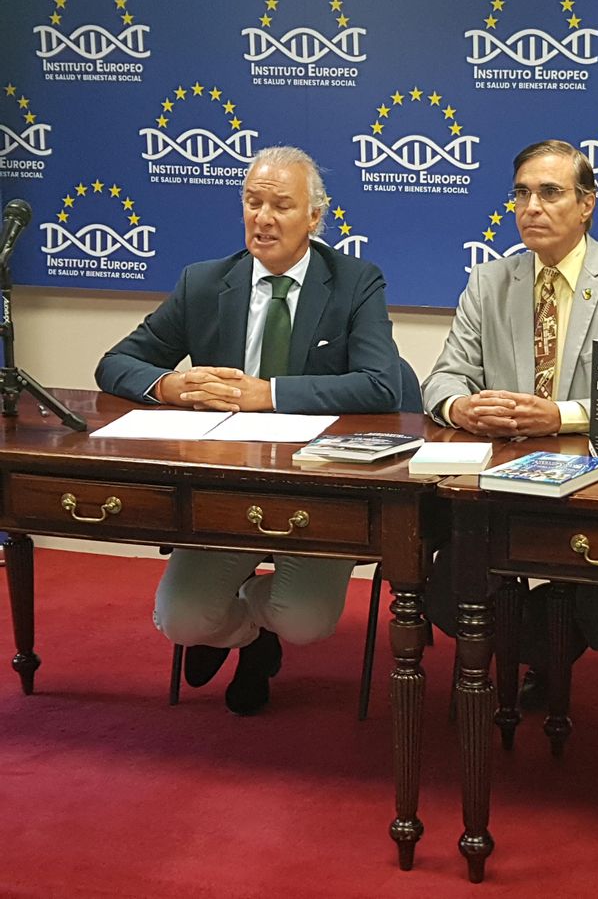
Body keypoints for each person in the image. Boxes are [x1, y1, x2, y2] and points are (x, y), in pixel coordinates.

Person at [95, 145, 405, 715]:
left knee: (306, 622)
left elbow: (383, 385)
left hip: (320, 488)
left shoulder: (355, 280)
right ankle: (247, 637)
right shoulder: (207, 283)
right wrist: (169, 386)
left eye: (280, 205)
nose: (262, 218)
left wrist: (272, 394)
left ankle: (262, 626)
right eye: (252, 202)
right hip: (227, 488)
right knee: (181, 619)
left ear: (314, 218)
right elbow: (115, 364)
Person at [422, 138, 598, 703]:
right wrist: (458, 406)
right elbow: (442, 377)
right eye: (521, 194)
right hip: (498, 488)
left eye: (550, 193)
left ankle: (543, 646)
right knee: (444, 597)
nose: (531, 207)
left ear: (586, 204)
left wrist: (561, 417)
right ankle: (530, 645)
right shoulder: (489, 282)